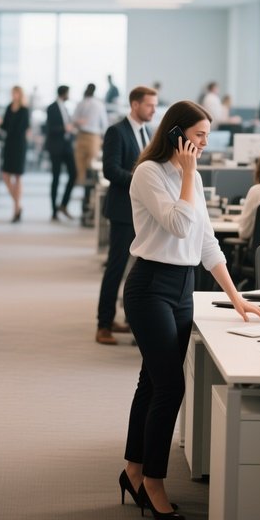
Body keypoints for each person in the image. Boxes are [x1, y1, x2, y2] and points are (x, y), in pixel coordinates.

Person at [120, 101, 260, 520]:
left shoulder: (194, 177)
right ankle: (152, 480)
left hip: (184, 286)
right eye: (200, 135)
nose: (205, 143)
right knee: (170, 387)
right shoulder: (149, 174)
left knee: (151, 382)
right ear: (177, 134)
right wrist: (187, 174)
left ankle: (132, 469)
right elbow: (179, 225)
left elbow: (205, 242)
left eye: (206, 135)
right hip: (150, 286)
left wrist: (236, 295)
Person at [96, 85, 157, 346]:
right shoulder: (117, 131)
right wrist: (141, 181)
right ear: (135, 105)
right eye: (149, 105)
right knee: (117, 267)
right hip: (122, 211)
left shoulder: (148, 132)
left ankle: (130, 320)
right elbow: (110, 170)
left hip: (143, 213)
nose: (153, 110)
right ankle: (103, 324)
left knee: (139, 269)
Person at [45, 85, 76, 221]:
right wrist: (64, 128)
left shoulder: (65, 107)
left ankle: (63, 204)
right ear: (64, 93)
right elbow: (49, 129)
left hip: (67, 146)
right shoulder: (51, 108)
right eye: (69, 93)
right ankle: (54, 211)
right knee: (56, 178)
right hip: (56, 147)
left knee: (74, 174)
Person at [0, 85, 30, 223]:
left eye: (16, 93)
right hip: (9, 144)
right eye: (12, 93)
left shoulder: (24, 110)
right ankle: (19, 205)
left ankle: (16, 208)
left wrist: (7, 126)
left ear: (20, 94)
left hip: (19, 145)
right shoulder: (8, 107)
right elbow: (5, 126)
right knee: (5, 176)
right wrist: (0, 124)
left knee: (17, 176)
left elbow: (21, 128)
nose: (14, 95)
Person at [73, 83, 108, 190]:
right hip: (94, 137)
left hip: (81, 135)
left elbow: (74, 120)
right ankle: (90, 194)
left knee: (81, 165)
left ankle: (83, 187)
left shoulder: (80, 103)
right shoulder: (99, 104)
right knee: (92, 165)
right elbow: (104, 124)